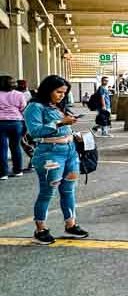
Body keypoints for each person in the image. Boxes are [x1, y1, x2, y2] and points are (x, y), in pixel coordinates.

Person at [23, 75, 89, 244]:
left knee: (69, 190)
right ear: (48, 89)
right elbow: (35, 131)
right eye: (58, 91)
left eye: (64, 93)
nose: (62, 95)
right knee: (47, 191)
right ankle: (40, 229)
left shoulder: (57, 106)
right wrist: (60, 122)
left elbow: (63, 126)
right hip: (49, 153)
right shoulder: (34, 107)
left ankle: (70, 224)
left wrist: (73, 132)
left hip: (70, 151)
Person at [0, 74, 27, 180]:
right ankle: (18, 170)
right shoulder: (19, 94)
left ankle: (3, 173)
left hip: (1, 123)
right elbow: (23, 109)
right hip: (16, 123)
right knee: (15, 146)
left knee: (2, 148)